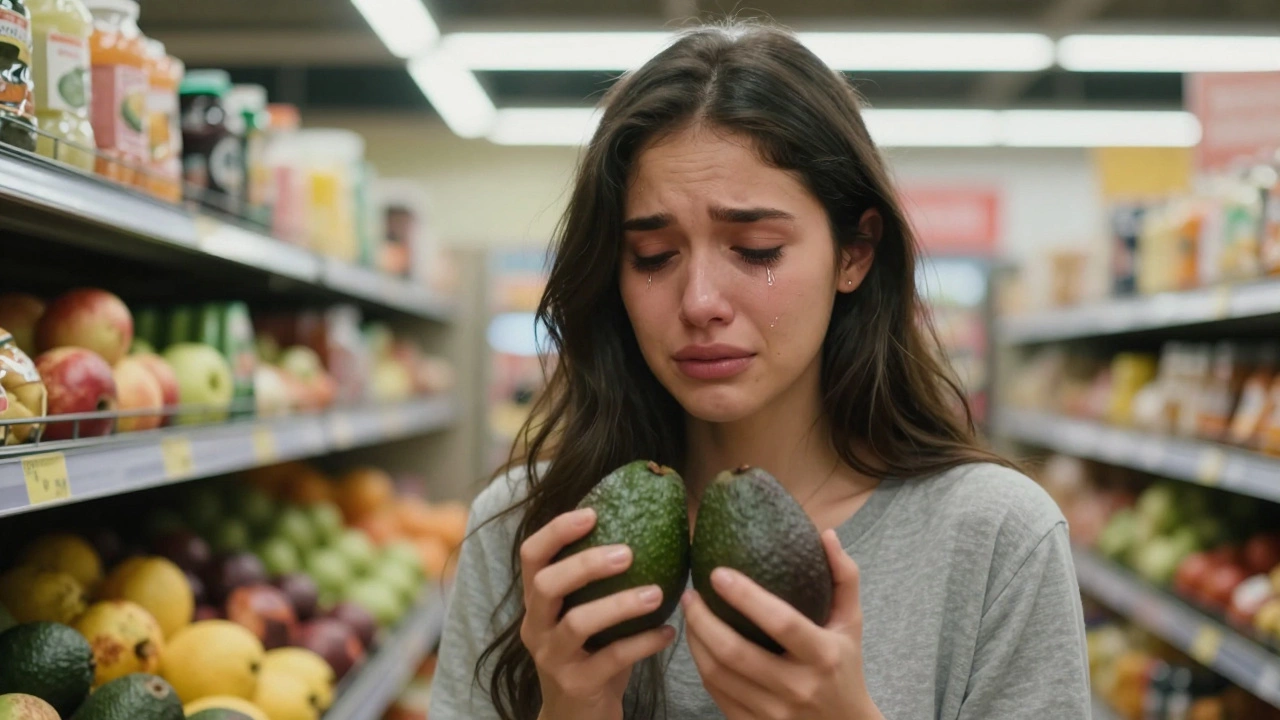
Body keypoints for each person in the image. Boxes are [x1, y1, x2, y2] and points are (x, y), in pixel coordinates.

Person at [430, 21, 1090, 720]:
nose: (700, 302)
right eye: (653, 256)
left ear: (855, 253)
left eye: (756, 248)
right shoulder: (526, 532)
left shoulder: (994, 539)